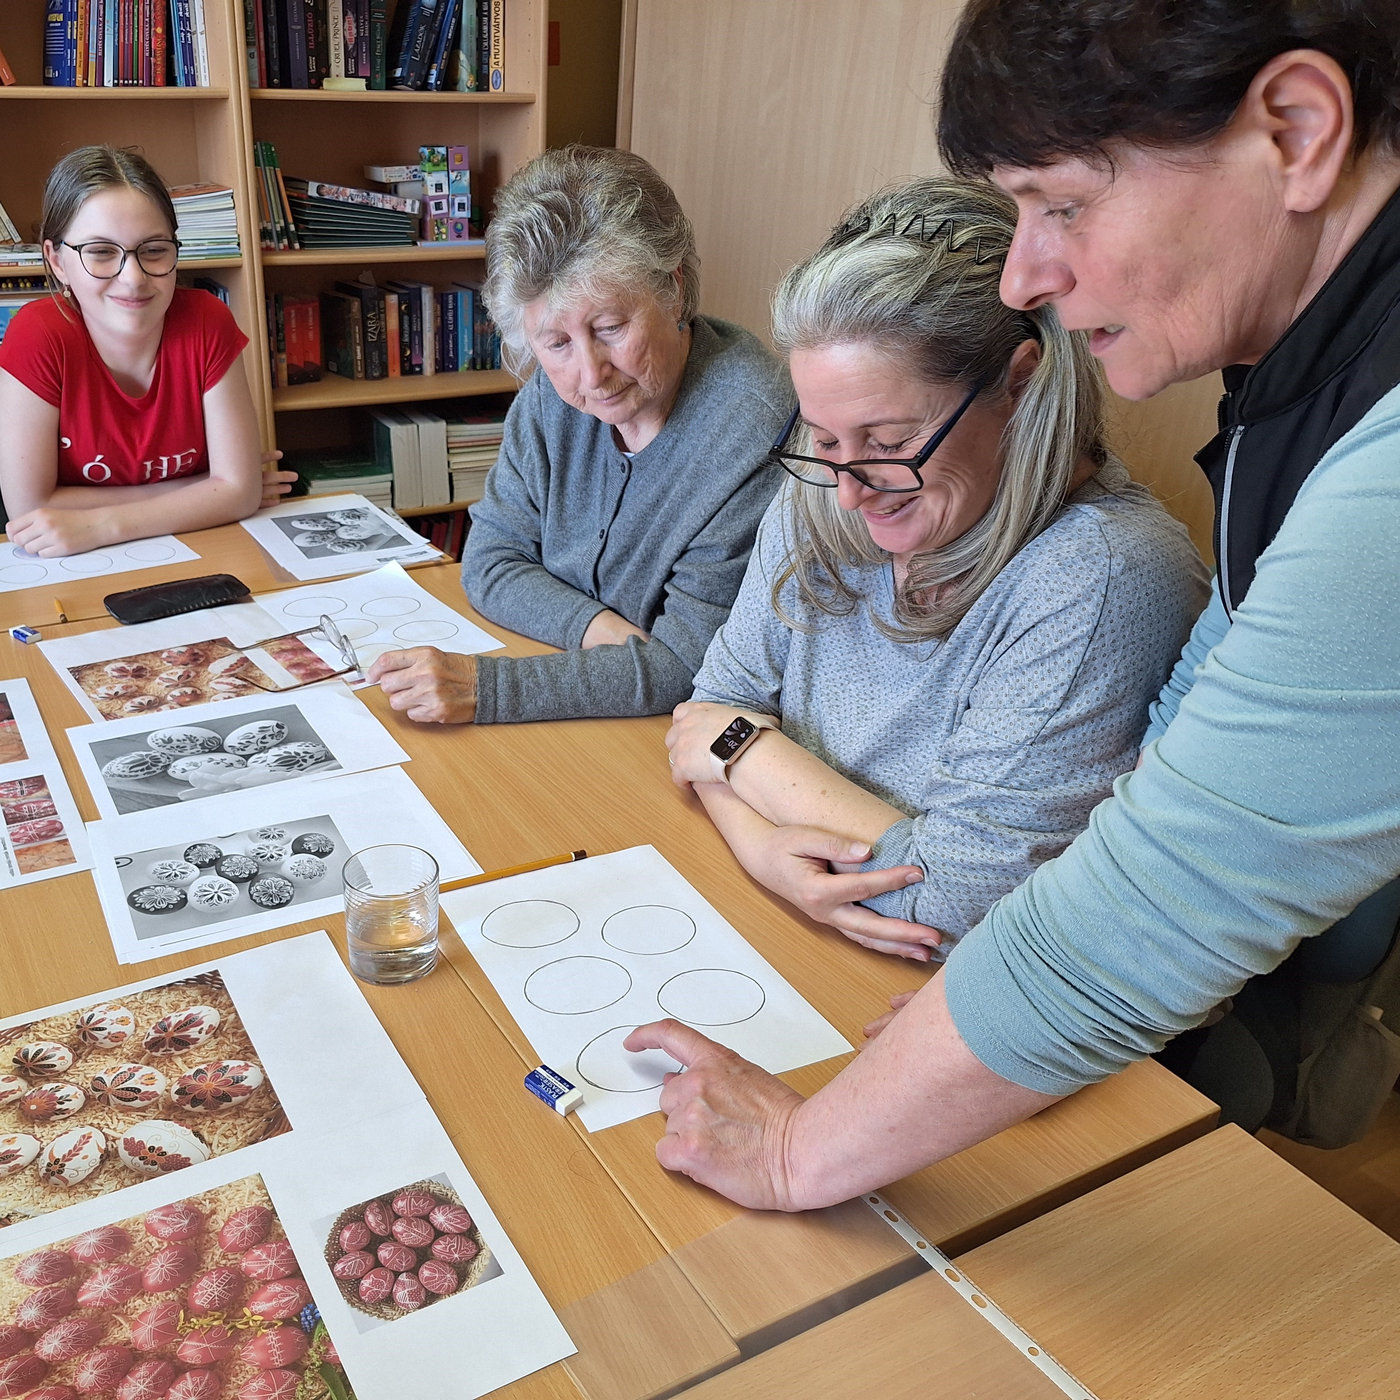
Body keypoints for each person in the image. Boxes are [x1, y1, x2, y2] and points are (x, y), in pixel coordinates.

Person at [624, 0, 1400, 1210]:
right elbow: (1154, 791)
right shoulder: (1288, 398)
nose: (1027, 272)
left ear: (1295, 131)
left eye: (1062, 204)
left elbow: (1151, 898)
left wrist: (796, 1151)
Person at [664, 176, 1205, 963]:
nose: (848, 490)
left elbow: (953, 908)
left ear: (1020, 386)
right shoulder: (831, 484)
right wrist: (760, 850)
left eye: (887, 441)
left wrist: (741, 752)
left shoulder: (1104, 576)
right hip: (806, 937)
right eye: (822, 437)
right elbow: (707, 708)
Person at [367, 145, 789, 725]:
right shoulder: (551, 395)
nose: (591, 375)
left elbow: (687, 669)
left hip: (669, 736)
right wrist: (597, 628)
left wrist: (486, 689)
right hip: (584, 703)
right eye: (556, 344)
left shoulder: (756, 432)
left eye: (611, 327)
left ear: (675, 289)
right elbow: (490, 560)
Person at [0, 146, 291, 556]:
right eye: (101, 252)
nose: (133, 278)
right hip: (74, 562)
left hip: (202, 547)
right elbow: (30, 508)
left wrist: (102, 523)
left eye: (154, 250)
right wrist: (202, 488)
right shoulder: (37, 334)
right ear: (57, 261)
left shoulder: (207, 320)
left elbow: (238, 492)